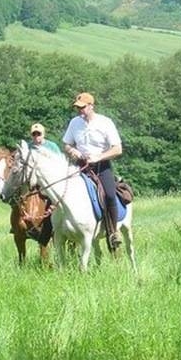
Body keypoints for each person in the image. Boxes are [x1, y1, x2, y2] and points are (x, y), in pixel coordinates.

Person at [62, 92, 123, 251]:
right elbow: (66, 144)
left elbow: (117, 149)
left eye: (82, 107)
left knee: (109, 195)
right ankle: (59, 231)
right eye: (78, 108)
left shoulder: (105, 122)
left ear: (91, 106)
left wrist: (99, 157)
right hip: (80, 166)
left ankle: (113, 233)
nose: (80, 111)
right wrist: (73, 151)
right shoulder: (74, 123)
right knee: (61, 192)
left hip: (101, 166)